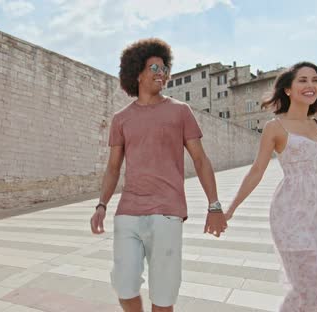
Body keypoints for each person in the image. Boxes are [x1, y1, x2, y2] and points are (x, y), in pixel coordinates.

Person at [223, 62, 317, 311]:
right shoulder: (275, 127)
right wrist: (229, 210)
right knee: (307, 289)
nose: (311, 85)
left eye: (315, 80)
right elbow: (256, 171)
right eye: (303, 80)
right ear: (287, 89)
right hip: (291, 214)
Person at [89, 38, 227, 312]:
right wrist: (101, 205)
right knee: (123, 285)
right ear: (137, 73)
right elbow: (114, 167)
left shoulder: (180, 111)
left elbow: (200, 159)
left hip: (167, 213)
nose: (161, 73)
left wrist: (215, 205)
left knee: (164, 295)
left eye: (164, 68)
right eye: (154, 68)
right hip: (128, 212)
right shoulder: (121, 119)